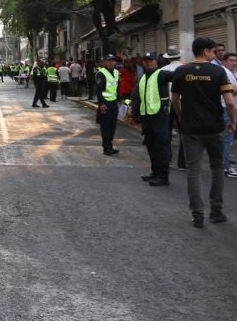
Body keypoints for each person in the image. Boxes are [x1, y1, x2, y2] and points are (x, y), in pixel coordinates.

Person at [170, 37, 235, 228]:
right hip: (214, 127)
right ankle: (216, 211)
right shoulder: (218, 71)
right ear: (206, 52)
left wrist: (182, 118)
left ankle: (197, 214)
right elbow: (230, 102)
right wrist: (233, 122)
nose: (214, 55)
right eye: (213, 52)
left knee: (194, 170)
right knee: (216, 168)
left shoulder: (181, 71)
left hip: (191, 129)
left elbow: (175, 99)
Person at [129, 52, 173, 186]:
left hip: (160, 117)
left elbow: (177, 76)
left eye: (151, 60)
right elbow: (138, 98)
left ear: (156, 62)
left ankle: (163, 176)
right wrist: (134, 115)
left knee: (161, 147)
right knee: (151, 146)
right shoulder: (143, 78)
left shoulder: (162, 74)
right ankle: (155, 172)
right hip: (147, 118)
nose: (148, 63)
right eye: (145, 60)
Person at [95, 54, 120, 156]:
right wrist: (101, 104)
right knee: (106, 127)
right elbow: (99, 90)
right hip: (105, 103)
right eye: (108, 61)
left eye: (113, 61)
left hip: (114, 102)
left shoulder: (116, 72)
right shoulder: (101, 73)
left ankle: (110, 146)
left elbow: (117, 87)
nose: (111, 63)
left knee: (112, 126)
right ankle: (106, 148)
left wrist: (120, 100)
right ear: (104, 62)